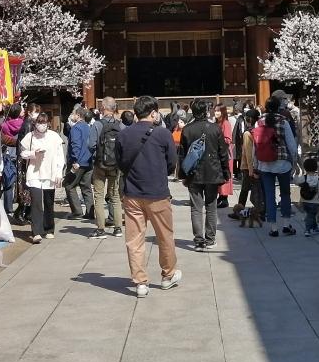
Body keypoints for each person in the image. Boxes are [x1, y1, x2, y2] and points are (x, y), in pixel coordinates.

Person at [117, 96, 182, 297]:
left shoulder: (123, 134)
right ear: (153, 113)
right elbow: (172, 162)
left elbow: (120, 163)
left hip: (132, 192)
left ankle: (140, 282)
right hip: (157, 192)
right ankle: (168, 275)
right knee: (164, 235)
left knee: (134, 239)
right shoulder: (163, 134)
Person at [181, 97, 227, 250]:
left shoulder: (187, 129)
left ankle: (199, 240)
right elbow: (222, 152)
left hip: (193, 173)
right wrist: (225, 172)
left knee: (196, 208)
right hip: (212, 171)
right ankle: (210, 238)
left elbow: (182, 155)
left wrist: (183, 174)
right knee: (211, 206)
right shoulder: (215, 128)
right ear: (206, 111)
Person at [253, 96, 298, 237]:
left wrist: (255, 163)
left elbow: (256, 144)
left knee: (269, 195)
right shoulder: (283, 121)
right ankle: (286, 224)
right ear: (279, 107)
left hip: (264, 163)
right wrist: (295, 161)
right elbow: (291, 144)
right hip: (282, 162)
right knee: (285, 193)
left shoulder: (259, 122)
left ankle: (273, 227)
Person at [19, 112, 65, 243]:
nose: (41, 125)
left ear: (48, 123)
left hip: (50, 173)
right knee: (36, 203)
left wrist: (59, 173)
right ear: (35, 123)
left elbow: (60, 156)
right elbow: (22, 153)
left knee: (49, 203)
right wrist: (33, 153)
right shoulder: (30, 136)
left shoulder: (54, 136)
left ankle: (49, 228)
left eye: (44, 123)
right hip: (34, 173)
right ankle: (36, 232)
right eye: (39, 122)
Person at [91, 97, 124, 239]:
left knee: (98, 196)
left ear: (103, 107)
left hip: (100, 164)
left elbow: (90, 144)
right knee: (115, 195)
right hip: (115, 165)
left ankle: (100, 229)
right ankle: (118, 228)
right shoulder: (120, 125)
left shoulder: (97, 125)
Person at [64, 106, 94, 221]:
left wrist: (75, 160)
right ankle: (90, 212)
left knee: (69, 185)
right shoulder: (88, 127)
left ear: (78, 115)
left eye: (73, 113)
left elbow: (75, 145)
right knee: (86, 187)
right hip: (88, 161)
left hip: (78, 162)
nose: (72, 115)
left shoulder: (76, 128)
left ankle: (77, 211)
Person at [293, 157, 319, 236]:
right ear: (316, 168)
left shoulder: (303, 178)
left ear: (305, 168)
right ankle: (307, 230)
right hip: (315, 201)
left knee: (310, 215)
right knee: (311, 215)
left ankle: (315, 228)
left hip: (304, 201)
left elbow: (296, 182)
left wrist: (296, 174)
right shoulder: (318, 179)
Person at [214, 105, 233, 208]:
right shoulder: (216, 123)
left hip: (225, 154)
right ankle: (220, 196)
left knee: (225, 174)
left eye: (218, 110)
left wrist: (217, 138)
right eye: (215, 110)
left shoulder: (226, 123)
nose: (216, 112)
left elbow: (228, 139)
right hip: (217, 153)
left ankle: (224, 198)